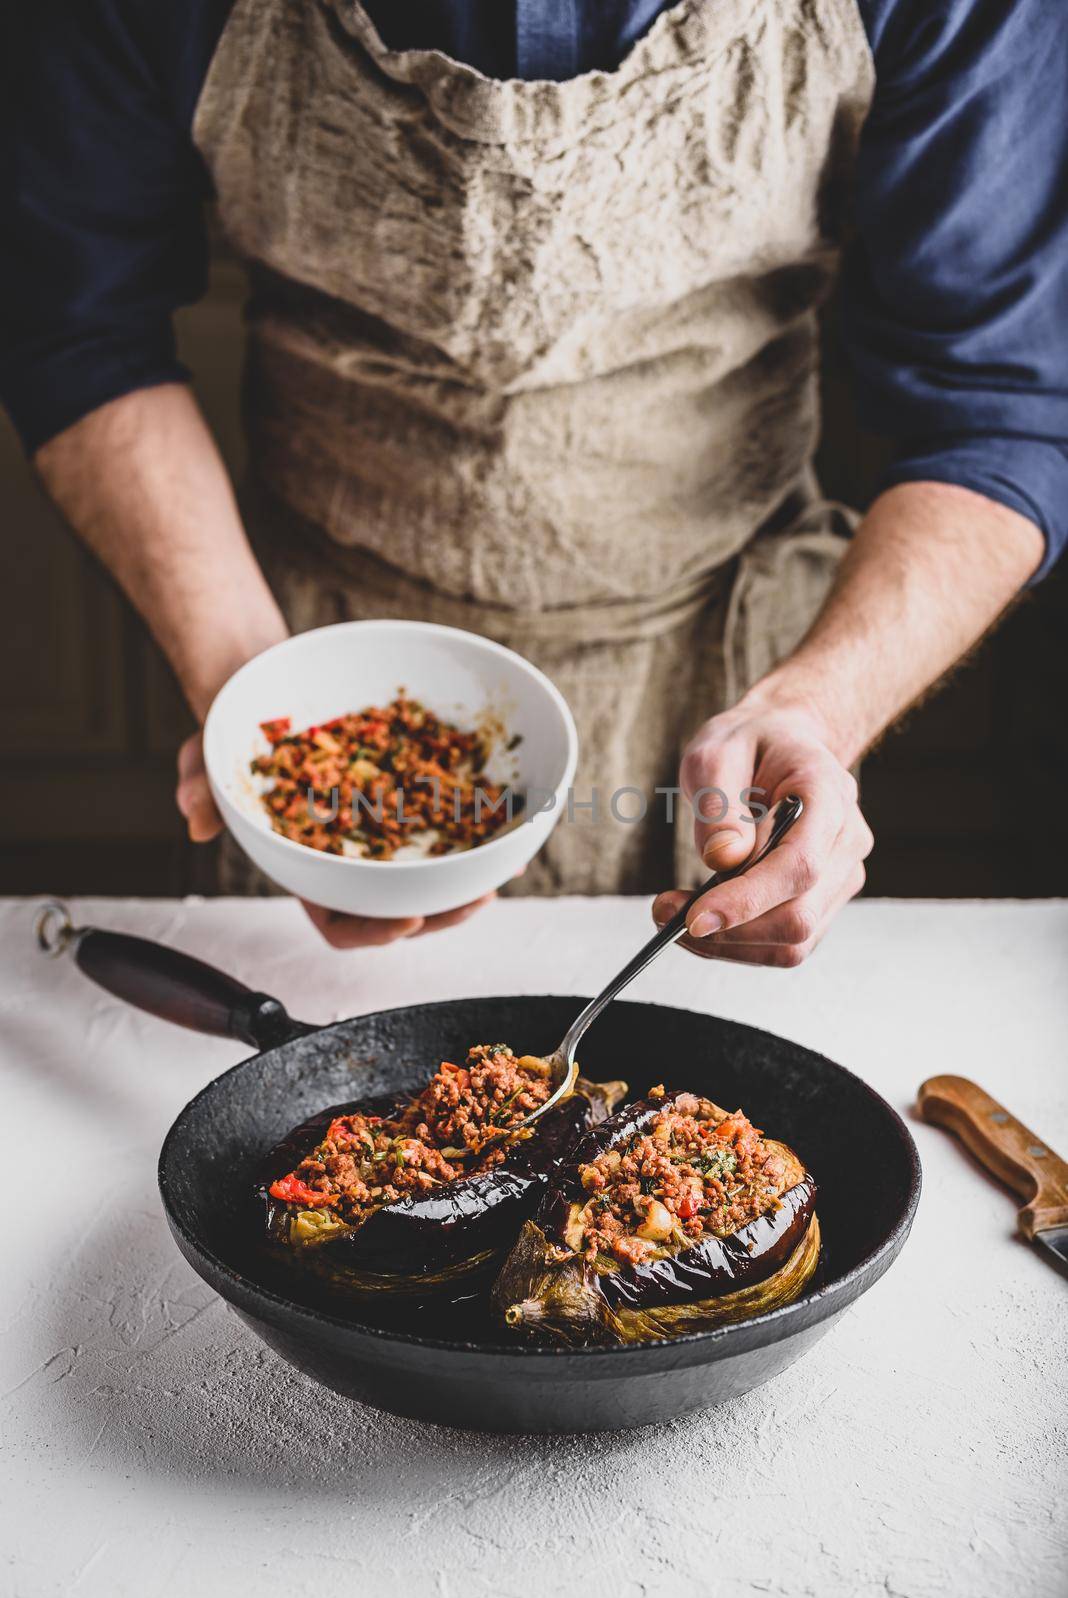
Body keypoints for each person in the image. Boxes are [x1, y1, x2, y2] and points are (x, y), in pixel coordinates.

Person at [2, 1, 1064, 961]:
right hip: (301, 643)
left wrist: (823, 708)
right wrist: (251, 689)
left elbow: (1001, 401)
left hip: (736, 658)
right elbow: (79, 328)